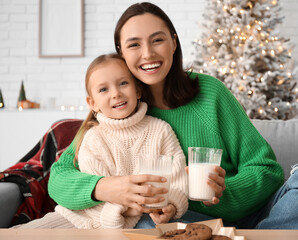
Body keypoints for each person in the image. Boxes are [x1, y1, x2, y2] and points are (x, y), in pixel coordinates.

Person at [46, 2, 298, 229]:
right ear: (121, 52)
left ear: (173, 43)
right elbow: (58, 178)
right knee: (140, 223)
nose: (148, 54)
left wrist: (226, 190)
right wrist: (105, 187)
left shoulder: (209, 94)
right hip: (184, 225)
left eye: (157, 40)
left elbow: (267, 169)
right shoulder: (117, 114)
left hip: (259, 215)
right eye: (134, 45)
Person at [12, 53, 188, 228]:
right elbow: (94, 200)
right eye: (104, 89)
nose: (116, 94)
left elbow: (178, 178)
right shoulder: (93, 138)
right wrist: (124, 210)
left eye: (123, 83)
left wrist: (171, 205)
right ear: (92, 103)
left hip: (148, 219)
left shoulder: (161, 130)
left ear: (138, 90)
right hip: (84, 218)